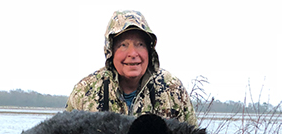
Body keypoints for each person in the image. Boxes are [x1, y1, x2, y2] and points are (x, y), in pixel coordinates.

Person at [66, 10, 198, 126]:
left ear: (150, 50)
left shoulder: (172, 90)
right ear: (110, 51)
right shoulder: (84, 93)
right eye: (123, 45)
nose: (133, 54)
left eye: (140, 44)